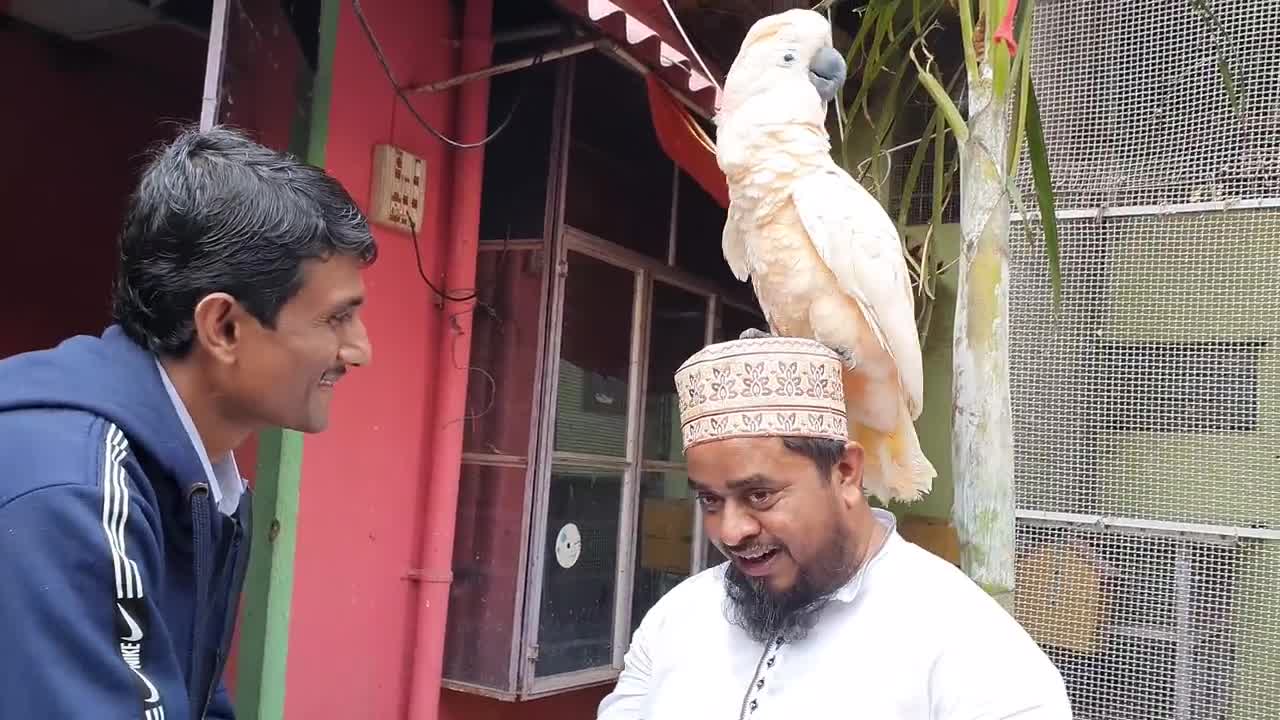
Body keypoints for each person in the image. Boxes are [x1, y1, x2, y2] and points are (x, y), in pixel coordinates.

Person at [0, 126, 376, 719]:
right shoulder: (78, 496)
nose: (360, 350)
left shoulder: (195, 480)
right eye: (336, 319)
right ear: (223, 327)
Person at [598, 336, 1072, 719]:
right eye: (710, 500)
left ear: (845, 473)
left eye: (759, 495)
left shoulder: (968, 645)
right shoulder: (676, 619)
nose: (731, 531)